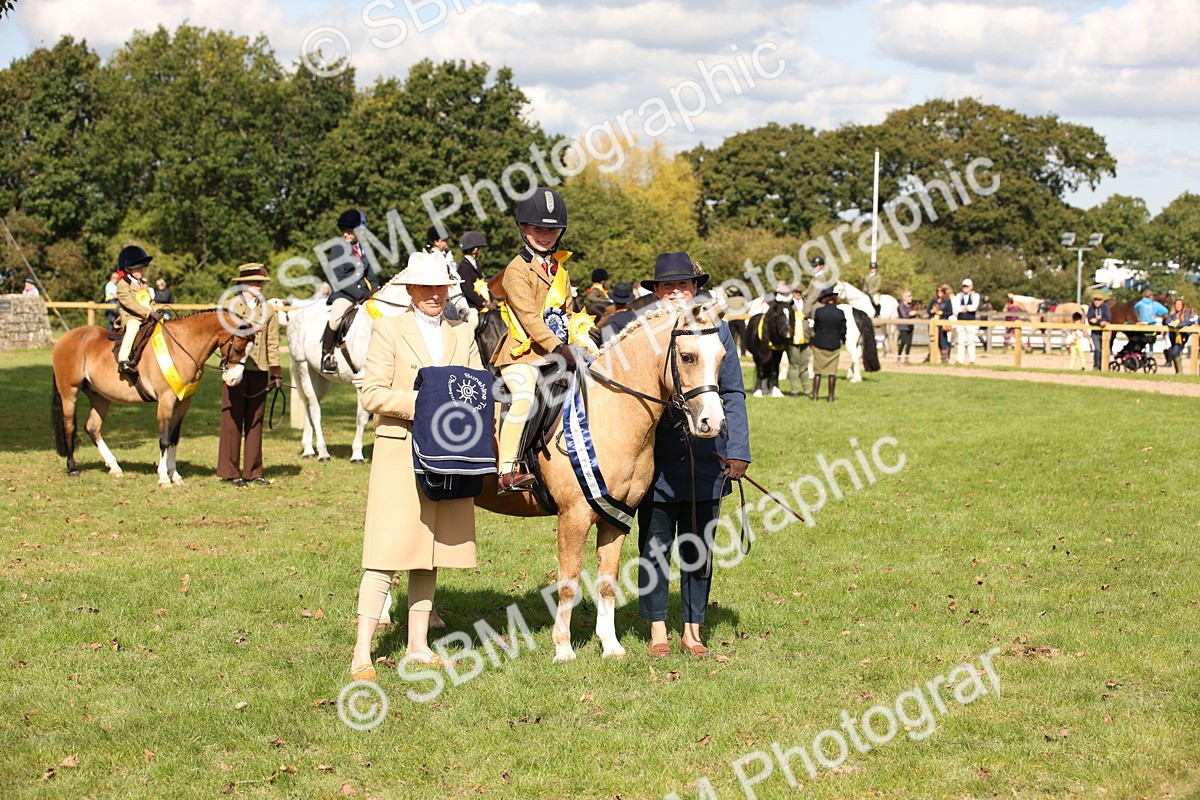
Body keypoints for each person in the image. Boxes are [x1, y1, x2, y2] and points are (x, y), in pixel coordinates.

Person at [349, 252, 483, 678]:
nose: (434, 294)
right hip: (399, 452)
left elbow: (478, 388)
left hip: (450, 454)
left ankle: (418, 645)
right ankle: (362, 651)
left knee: (428, 552)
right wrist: (427, 403)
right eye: (425, 286)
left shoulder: (463, 333)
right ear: (409, 289)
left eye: (440, 286)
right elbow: (372, 393)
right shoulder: (387, 329)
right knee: (384, 552)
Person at [637, 251, 750, 659]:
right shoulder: (644, 333)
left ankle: (692, 630)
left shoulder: (718, 330)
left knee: (698, 547)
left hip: (708, 456)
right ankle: (657, 630)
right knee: (654, 546)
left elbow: (733, 390)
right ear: (657, 291)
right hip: (656, 458)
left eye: (683, 284)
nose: (676, 292)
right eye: (668, 285)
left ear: (695, 288)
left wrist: (738, 449)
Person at [492, 187, 577, 493]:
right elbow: (529, 317)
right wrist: (558, 347)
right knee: (525, 396)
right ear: (523, 228)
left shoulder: (560, 271)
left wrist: (581, 339)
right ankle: (507, 470)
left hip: (557, 352)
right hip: (522, 354)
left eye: (551, 230)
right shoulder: (516, 270)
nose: (545, 235)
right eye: (538, 229)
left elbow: (567, 313)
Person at [217, 264, 282, 487]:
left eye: (261, 282)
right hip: (236, 367)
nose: (259, 285)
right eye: (255, 281)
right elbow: (223, 338)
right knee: (232, 419)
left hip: (259, 369)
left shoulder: (270, 311)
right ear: (243, 284)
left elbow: (272, 343)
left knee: (255, 421)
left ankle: (254, 471)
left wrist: (275, 371)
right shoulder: (229, 306)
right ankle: (230, 470)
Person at [322, 209, 380, 374]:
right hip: (345, 295)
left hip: (365, 295)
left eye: (349, 231)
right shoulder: (338, 249)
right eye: (343, 231)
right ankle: (327, 356)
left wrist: (376, 291)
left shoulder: (364, 249)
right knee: (336, 319)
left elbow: (371, 275)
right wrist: (361, 294)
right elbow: (338, 279)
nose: (345, 234)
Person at [115, 245, 161, 374]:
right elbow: (130, 304)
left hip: (147, 316)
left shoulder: (143, 284)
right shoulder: (123, 285)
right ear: (127, 269)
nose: (141, 271)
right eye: (138, 268)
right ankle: (123, 360)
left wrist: (155, 310)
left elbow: (149, 300)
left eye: (142, 268)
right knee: (133, 327)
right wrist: (149, 313)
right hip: (131, 317)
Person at [810, 287, 846, 401]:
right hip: (834, 344)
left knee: (817, 372)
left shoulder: (819, 312)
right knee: (832, 373)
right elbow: (843, 330)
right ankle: (831, 397)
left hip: (820, 343)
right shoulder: (840, 313)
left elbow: (816, 327)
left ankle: (815, 396)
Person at [782, 283, 811, 397]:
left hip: (806, 338)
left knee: (804, 365)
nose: (798, 294)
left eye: (800, 292)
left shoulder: (807, 304)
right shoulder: (788, 305)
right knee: (794, 364)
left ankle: (807, 390)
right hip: (792, 339)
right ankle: (794, 390)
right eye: (796, 292)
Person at [456, 231, 489, 312]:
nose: (481, 251)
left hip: (482, 304)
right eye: (480, 248)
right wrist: (483, 302)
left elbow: (484, 285)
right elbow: (467, 290)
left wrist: (493, 299)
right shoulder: (463, 267)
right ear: (475, 249)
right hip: (472, 306)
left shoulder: (476, 264)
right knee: (474, 318)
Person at [1164, 299, 1198, 373]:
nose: (1178, 306)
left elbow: (1188, 322)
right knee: (1174, 352)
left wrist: (1178, 325)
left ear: (1182, 306)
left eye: (1180, 304)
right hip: (1173, 336)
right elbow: (1167, 321)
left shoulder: (1186, 314)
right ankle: (1178, 371)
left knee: (1175, 352)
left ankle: (1180, 371)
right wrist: (1171, 323)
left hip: (1182, 336)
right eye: (1177, 304)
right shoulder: (1172, 314)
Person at [951, 278, 980, 364]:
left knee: (971, 340)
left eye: (967, 286)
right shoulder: (959, 295)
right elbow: (956, 308)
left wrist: (965, 308)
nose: (965, 288)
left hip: (970, 321)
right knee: (960, 341)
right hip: (960, 320)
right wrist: (965, 308)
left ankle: (971, 359)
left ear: (971, 287)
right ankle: (960, 359)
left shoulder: (975, 295)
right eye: (964, 286)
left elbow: (974, 307)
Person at [925, 285, 952, 363]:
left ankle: (944, 358)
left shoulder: (947, 301)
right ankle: (931, 357)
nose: (939, 292)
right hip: (933, 322)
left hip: (942, 323)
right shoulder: (934, 301)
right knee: (933, 340)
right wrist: (932, 311)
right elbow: (928, 311)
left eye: (941, 291)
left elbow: (950, 312)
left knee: (942, 341)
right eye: (938, 291)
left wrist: (942, 313)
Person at [1086, 293, 1111, 370]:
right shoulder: (1091, 308)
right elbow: (1090, 319)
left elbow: (1108, 318)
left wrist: (1097, 321)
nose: (1096, 302)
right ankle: (1096, 366)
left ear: (1102, 301)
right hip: (1095, 332)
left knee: (1105, 350)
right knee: (1097, 349)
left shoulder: (1105, 307)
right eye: (1095, 300)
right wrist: (1100, 322)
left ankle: (1104, 366)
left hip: (1105, 333)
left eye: (1098, 300)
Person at [724, 286, 748, 354]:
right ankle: (743, 353)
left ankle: (731, 352)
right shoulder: (742, 299)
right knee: (743, 337)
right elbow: (747, 307)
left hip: (731, 319)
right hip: (741, 319)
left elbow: (725, 309)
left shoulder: (728, 300)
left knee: (731, 337)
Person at [896, 290, 915, 364]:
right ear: (905, 297)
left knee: (909, 343)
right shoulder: (901, 306)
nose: (911, 298)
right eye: (909, 296)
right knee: (903, 341)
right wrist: (910, 314)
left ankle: (907, 357)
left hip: (910, 326)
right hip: (903, 326)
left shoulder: (911, 305)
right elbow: (903, 315)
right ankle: (899, 356)